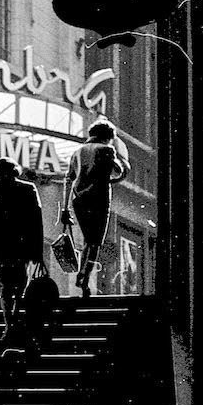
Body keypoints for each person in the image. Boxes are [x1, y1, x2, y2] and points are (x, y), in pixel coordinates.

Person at [0, 157, 44, 334]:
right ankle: (16, 315)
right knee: (21, 283)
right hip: (22, 244)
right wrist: (38, 252)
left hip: (0, 244)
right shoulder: (28, 189)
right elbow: (37, 223)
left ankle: (9, 322)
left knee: (4, 285)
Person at [64, 119, 130, 298]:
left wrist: (65, 209)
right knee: (95, 242)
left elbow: (68, 179)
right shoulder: (107, 150)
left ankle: (82, 274)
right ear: (108, 136)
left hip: (78, 199)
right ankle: (84, 278)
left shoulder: (78, 151)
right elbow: (118, 171)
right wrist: (120, 170)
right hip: (98, 198)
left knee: (88, 239)